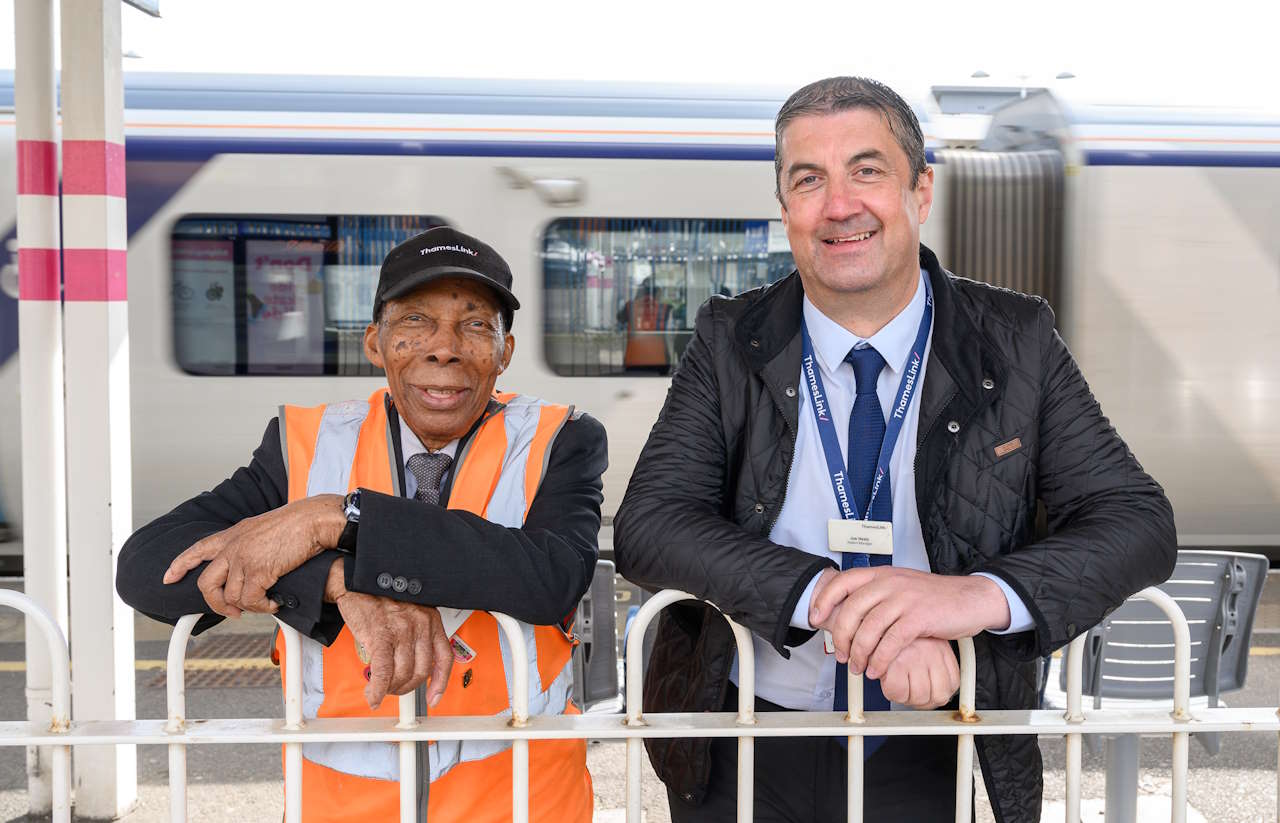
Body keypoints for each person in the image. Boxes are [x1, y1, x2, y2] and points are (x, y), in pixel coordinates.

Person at [613, 76, 1176, 823]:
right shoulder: (728, 339)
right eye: (808, 179)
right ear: (786, 210)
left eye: (867, 171)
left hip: (925, 736)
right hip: (745, 733)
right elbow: (650, 522)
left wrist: (970, 597)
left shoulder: (1017, 341)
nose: (839, 205)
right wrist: (828, 598)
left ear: (921, 191)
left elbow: (1138, 521)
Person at [117, 226, 606, 823]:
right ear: (375, 343)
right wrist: (337, 578)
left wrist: (339, 516)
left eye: (475, 325)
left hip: (520, 800)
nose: (443, 348)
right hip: (345, 804)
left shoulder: (561, 437)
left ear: (504, 352)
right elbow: (150, 570)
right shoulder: (305, 443)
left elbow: (550, 574)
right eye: (415, 323)